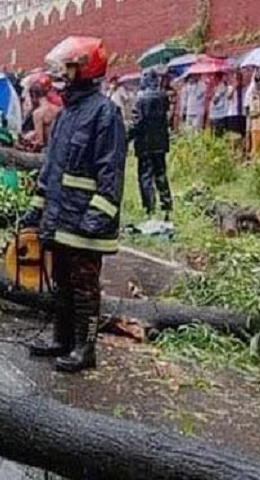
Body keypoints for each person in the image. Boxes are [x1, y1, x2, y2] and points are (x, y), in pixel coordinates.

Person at [20, 36, 126, 373]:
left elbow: (111, 171)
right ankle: (62, 339)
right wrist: (36, 210)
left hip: (84, 224)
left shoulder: (105, 114)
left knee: (84, 289)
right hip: (60, 220)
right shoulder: (67, 114)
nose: (62, 74)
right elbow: (50, 170)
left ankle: (85, 348)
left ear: (85, 69)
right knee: (62, 283)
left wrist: (96, 217)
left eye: (68, 67)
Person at [130, 69, 173, 219]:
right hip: (160, 143)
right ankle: (167, 206)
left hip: (144, 145)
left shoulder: (140, 98)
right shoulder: (163, 96)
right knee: (161, 174)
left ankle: (149, 208)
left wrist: (127, 139)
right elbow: (167, 117)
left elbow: (137, 122)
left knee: (146, 176)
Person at [22, 80, 61, 152]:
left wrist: (28, 147)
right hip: (58, 144)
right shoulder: (57, 109)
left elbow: (40, 142)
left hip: (49, 147)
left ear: (33, 96)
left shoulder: (38, 113)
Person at [225, 70, 248, 155]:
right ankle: (233, 152)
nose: (238, 80)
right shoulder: (230, 87)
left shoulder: (245, 88)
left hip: (243, 114)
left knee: (242, 135)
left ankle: (241, 152)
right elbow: (228, 97)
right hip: (233, 114)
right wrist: (234, 87)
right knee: (234, 135)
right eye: (236, 78)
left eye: (239, 78)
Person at [208, 73, 229, 138]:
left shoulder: (221, 87)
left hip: (219, 115)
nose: (212, 79)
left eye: (214, 77)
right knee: (213, 135)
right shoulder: (215, 87)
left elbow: (215, 100)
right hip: (214, 115)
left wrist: (214, 94)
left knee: (218, 135)